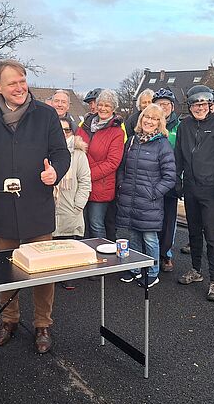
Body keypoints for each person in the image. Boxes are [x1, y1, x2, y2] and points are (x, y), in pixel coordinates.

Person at [0, 59, 70, 354]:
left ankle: (42, 324)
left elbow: (61, 154)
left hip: (37, 204)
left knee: (42, 270)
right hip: (1, 205)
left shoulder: (46, 115)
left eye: (22, 81)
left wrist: (55, 172)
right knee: (6, 268)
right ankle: (9, 319)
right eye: (12, 83)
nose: (20, 87)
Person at [174, 85, 214, 302]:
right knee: (193, 231)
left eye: (203, 104)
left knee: (212, 236)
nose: (199, 108)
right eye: (194, 104)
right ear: (189, 107)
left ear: (211, 105)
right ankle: (196, 269)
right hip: (191, 187)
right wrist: (176, 179)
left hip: (211, 189)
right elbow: (178, 155)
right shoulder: (185, 126)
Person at [117, 104, 175, 288]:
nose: (149, 121)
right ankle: (135, 268)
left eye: (154, 118)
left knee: (150, 238)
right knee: (133, 235)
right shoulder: (132, 141)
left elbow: (170, 177)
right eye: (146, 117)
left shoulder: (162, 145)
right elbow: (122, 167)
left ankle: (152, 272)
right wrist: (121, 184)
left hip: (149, 201)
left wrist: (153, 194)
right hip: (130, 198)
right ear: (141, 119)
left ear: (160, 123)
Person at [77, 89, 125, 239]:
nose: (103, 108)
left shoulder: (117, 131)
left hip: (101, 185)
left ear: (113, 109)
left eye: (107, 106)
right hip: (80, 184)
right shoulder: (84, 125)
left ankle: (101, 258)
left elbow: (112, 162)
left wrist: (87, 175)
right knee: (80, 224)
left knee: (96, 224)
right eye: (101, 104)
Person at [53, 117, 91, 289]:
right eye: (59, 129)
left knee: (68, 242)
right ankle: (51, 274)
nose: (63, 133)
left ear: (72, 132)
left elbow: (85, 181)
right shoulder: (45, 150)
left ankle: (68, 275)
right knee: (50, 243)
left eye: (67, 130)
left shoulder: (78, 154)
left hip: (71, 205)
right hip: (50, 205)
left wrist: (79, 204)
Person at [152, 88, 180, 272]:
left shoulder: (179, 126)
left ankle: (165, 254)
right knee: (152, 219)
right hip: (152, 180)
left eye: (166, 104)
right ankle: (152, 253)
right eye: (159, 104)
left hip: (171, 180)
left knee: (169, 221)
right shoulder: (150, 123)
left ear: (172, 106)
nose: (163, 108)